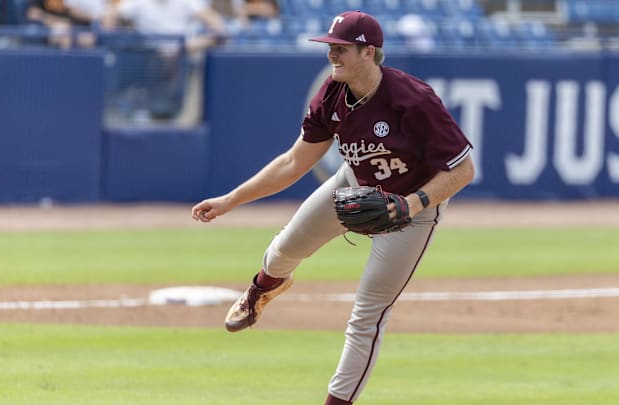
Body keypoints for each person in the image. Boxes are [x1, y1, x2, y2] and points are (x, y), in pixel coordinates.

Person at [191, 10, 474, 405]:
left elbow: (462, 170)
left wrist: (412, 204)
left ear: (368, 52)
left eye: (341, 49)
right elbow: (293, 162)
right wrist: (230, 200)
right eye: (330, 48)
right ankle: (260, 291)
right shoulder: (331, 95)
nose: (332, 56)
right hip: (354, 184)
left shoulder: (412, 99)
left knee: (367, 316)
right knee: (285, 247)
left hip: (414, 210)